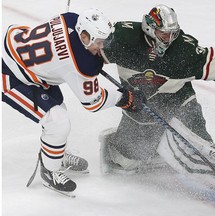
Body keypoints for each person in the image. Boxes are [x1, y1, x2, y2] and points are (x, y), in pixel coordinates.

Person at [99, 4, 215, 211]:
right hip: (141, 112)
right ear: (149, 29)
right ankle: (127, 145)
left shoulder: (184, 50)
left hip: (180, 105)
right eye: (163, 34)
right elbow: (89, 49)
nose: (169, 39)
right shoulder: (123, 38)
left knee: (199, 153)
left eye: (172, 34)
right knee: (124, 163)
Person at [2, 8, 145, 195]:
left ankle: (55, 155)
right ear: (84, 36)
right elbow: (93, 102)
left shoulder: (72, 19)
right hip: (11, 76)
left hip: (25, 58)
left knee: (57, 111)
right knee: (57, 121)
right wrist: (123, 98)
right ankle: (49, 171)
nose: (102, 47)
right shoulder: (80, 63)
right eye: (99, 42)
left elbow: (67, 50)